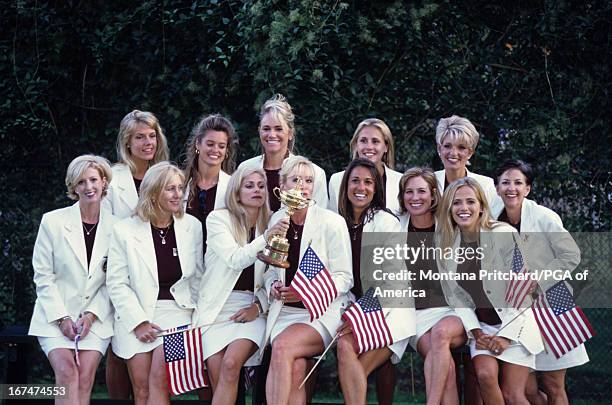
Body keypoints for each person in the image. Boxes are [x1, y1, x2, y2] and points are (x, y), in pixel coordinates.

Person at [436, 177, 544, 405]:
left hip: (516, 324)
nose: (463, 208)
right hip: (483, 329)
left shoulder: (502, 234)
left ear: (481, 206)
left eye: (470, 202)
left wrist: (506, 336)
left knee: (513, 396)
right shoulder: (447, 245)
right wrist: (476, 332)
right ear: (449, 208)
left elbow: (524, 289)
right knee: (484, 375)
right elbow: (456, 298)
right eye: (456, 203)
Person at [107, 162, 204, 405]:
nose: (178, 194)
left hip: (180, 316)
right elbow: (117, 283)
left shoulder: (192, 226)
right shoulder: (124, 230)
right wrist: (139, 322)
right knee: (141, 389)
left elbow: (198, 279)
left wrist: (197, 317)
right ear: (152, 192)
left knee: (159, 381)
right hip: (136, 315)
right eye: (170, 189)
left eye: (180, 188)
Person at [493, 159, 587, 405]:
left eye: (518, 183)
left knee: (554, 385)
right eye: (505, 183)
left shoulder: (544, 216)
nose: (511, 188)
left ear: (528, 188)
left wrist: (538, 279)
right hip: (516, 308)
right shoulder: (491, 220)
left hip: (552, 300)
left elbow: (571, 255)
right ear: (496, 188)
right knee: (524, 390)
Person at [194, 165, 288, 404]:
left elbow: (274, 275)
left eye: (260, 186)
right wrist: (266, 237)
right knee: (219, 378)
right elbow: (236, 259)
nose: (256, 190)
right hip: (217, 308)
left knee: (230, 363)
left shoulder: (272, 222)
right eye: (249, 186)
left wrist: (258, 308)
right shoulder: (218, 219)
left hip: (252, 307)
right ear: (236, 193)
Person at [263, 156, 353, 405]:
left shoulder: (331, 222)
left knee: (281, 348)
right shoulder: (276, 221)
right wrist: (273, 285)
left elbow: (345, 277)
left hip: (320, 312)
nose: (302, 185)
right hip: (284, 313)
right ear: (282, 185)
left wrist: (307, 293)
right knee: (294, 369)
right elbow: (271, 269)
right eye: (295, 179)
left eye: (308, 180)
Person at [29, 154, 118, 405]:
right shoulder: (53, 221)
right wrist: (62, 318)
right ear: (73, 187)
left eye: (93, 180)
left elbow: (115, 281)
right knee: (68, 374)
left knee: (85, 377)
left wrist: (90, 316)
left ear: (103, 182)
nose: (88, 187)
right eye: (81, 182)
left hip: (97, 319)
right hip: (53, 315)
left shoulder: (119, 227)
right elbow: (43, 276)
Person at [335, 158, 414, 405]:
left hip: (389, 311)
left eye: (368, 182)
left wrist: (359, 316)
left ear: (376, 188)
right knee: (344, 349)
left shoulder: (386, 222)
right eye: (355, 180)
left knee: (353, 365)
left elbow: (390, 280)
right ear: (346, 185)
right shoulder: (338, 223)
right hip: (354, 309)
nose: (361, 187)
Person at [104, 109, 170, 398]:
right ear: (127, 142)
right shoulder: (113, 178)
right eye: (139, 137)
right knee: (118, 350)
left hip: (155, 272)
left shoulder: (165, 173)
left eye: (152, 136)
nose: (147, 142)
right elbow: (105, 224)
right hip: (117, 269)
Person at [397, 167, 466, 405]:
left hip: (452, 310)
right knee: (443, 367)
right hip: (414, 315)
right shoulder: (395, 226)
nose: (415, 197)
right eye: (409, 192)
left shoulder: (449, 226)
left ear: (433, 195)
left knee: (440, 336)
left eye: (421, 191)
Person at [237, 94, 328, 211]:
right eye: (266, 129)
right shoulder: (245, 169)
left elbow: (320, 219)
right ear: (259, 131)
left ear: (290, 133)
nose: (272, 134)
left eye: (278, 129)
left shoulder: (315, 173)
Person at [182, 113, 236, 258]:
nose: (215, 150)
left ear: (227, 151)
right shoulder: (180, 185)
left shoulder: (233, 187)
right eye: (210, 144)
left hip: (219, 268)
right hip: (185, 266)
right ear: (198, 144)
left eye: (221, 146)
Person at [328, 118, 403, 214]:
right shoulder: (337, 180)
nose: (369, 147)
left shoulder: (400, 181)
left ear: (386, 147)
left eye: (375, 141)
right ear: (356, 145)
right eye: (363, 141)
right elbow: (334, 222)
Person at [434, 115, 500, 212]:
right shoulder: (430, 182)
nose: (453, 153)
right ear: (439, 149)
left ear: (470, 152)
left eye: (461, 147)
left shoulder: (486, 185)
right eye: (447, 146)